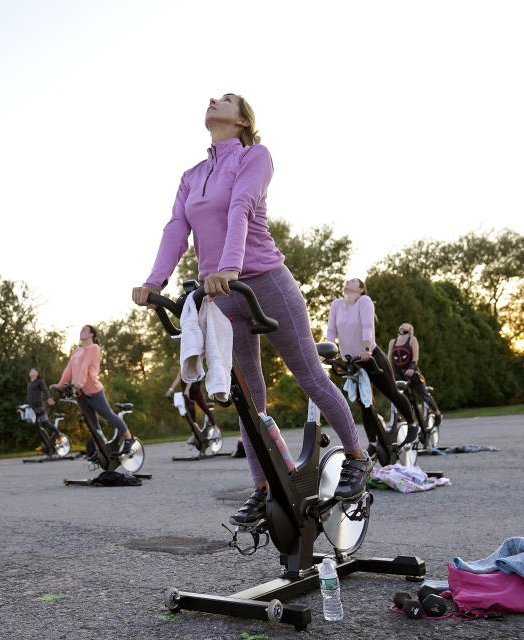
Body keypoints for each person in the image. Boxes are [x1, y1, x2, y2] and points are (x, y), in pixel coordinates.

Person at [132, 93, 370, 527]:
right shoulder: (192, 175)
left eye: (223, 100)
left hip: (263, 281)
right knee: (248, 400)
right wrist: (154, 281)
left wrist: (228, 266)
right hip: (222, 293)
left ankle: (357, 457)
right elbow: (175, 229)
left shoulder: (255, 157)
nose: (211, 101)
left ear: (242, 119)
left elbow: (241, 206)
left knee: (310, 376)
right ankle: (264, 489)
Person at [326, 278, 419, 454]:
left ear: (361, 289)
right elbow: (331, 331)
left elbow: (367, 326)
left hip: (371, 356)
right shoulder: (336, 305)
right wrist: (327, 351)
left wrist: (367, 348)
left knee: (391, 391)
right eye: (347, 280)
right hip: (352, 361)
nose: (348, 281)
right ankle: (374, 443)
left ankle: (413, 424)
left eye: (353, 281)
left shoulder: (364, 301)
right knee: (365, 404)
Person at [50, 325, 135, 455]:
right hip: (79, 393)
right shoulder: (76, 351)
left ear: (92, 335)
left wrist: (80, 383)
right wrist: (60, 385)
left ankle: (129, 438)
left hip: (94, 391)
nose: (81, 331)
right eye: (81, 329)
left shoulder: (94, 348)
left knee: (107, 414)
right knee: (92, 423)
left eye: (84, 329)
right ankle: (99, 449)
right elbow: (68, 370)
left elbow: (85, 366)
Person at [387, 323, 442, 423]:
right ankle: (402, 416)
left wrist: (412, 368)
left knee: (424, 394)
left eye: (406, 325)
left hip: (413, 374)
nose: (403, 325)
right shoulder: (393, 342)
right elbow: (389, 359)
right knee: (400, 397)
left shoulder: (412, 340)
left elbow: (415, 358)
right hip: (399, 375)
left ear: (410, 330)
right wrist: (389, 372)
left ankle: (437, 413)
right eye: (402, 324)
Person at [166, 370, 217, 438]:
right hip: (186, 393)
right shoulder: (182, 366)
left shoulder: (191, 362)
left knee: (205, 408)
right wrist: (170, 390)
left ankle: (215, 428)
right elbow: (178, 378)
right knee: (191, 412)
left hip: (196, 391)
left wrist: (187, 389)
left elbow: (191, 377)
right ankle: (195, 433)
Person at [25, 367, 58, 451]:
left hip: (39, 407)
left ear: (37, 374)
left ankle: (58, 434)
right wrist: (23, 407)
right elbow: (28, 396)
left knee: (45, 423)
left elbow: (45, 390)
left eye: (33, 370)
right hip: (32, 409)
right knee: (37, 428)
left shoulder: (40, 381)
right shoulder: (29, 384)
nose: (31, 371)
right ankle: (46, 445)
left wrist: (48, 398)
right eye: (30, 370)